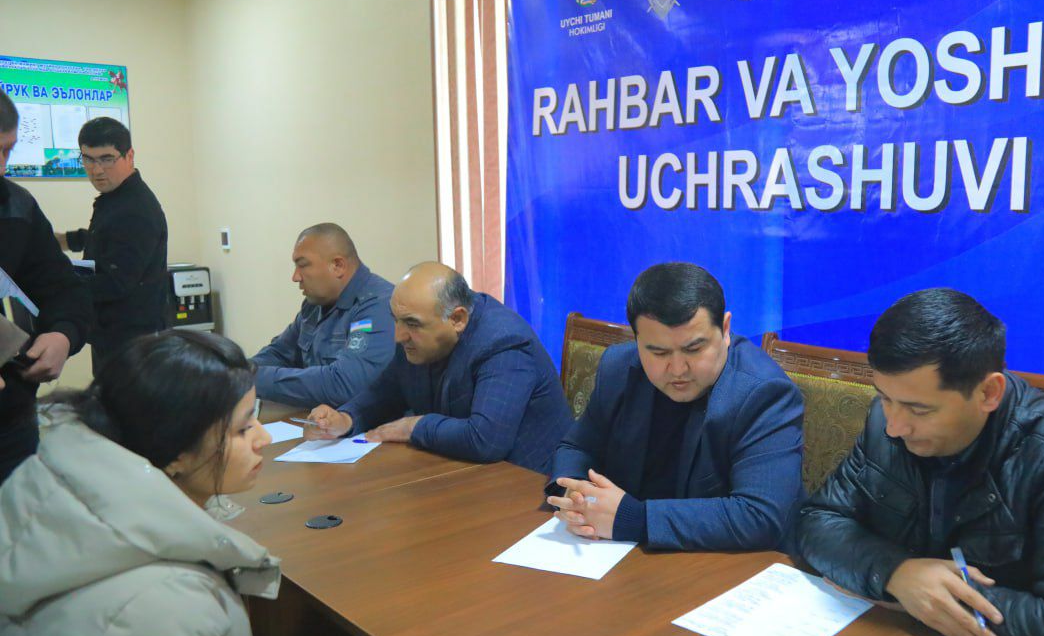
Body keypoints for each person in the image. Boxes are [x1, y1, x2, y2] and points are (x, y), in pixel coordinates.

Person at [795, 288, 1044, 636]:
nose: (895, 427)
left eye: (919, 409)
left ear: (988, 392)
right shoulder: (885, 425)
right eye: (885, 398)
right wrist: (896, 573)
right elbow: (817, 521)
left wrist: (934, 597)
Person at [0, 330, 322, 636]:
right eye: (242, 429)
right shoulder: (162, 605)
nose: (264, 437)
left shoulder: (57, 490)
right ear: (177, 451)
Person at [546, 262, 804, 551]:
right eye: (659, 352)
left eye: (694, 349)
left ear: (725, 329)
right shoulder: (618, 367)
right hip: (624, 556)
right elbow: (578, 447)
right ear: (637, 340)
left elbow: (759, 516)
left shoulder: (764, 392)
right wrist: (576, 495)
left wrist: (634, 518)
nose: (678, 369)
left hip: (725, 563)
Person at [308, 262, 571, 473]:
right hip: (462, 473)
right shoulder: (420, 332)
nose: (398, 336)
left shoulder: (503, 343)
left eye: (411, 324)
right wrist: (346, 418)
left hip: (531, 487)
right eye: (396, 320)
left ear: (457, 319)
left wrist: (413, 427)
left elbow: (485, 440)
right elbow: (388, 390)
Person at [0, 92, 93, 484]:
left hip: (12, 426)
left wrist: (63, 334)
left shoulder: (16, 206)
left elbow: (63, 288)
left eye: (6, 150)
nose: (0, 165)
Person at [58, 116, 168, 373]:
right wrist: (65, 240)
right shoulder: (117, 197)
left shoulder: (135, 209)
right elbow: (110, 238)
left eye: (107, 159)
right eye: (88, 159)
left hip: (132, 344)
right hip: (114, 335)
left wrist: (58, 281)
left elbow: (115, 282)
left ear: (129, 155)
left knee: (122, 400)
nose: (96, 170)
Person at [252, 223, 395, 408]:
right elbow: (280, 352)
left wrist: (252, 379)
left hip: (366, 424)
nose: (295, 277)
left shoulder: (377, 306)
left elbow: (343, 384)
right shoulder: (315, 304)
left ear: (338, 266)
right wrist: (234, 372)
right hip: (318, 420)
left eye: (303, 265)